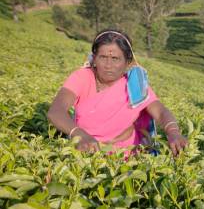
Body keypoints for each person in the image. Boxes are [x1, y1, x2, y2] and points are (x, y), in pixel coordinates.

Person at [47, 30, 188, 156]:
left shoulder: (134, 86)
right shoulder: (82, 77)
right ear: (94, 58)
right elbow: (56, 111)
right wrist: (79, 135)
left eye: (115, 59)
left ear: (127, 62)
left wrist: (173, 133)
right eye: (103, 57)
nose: (108, 65)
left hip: (128, 155)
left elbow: (160, 111)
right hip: (87, 150)